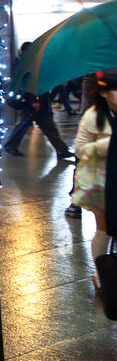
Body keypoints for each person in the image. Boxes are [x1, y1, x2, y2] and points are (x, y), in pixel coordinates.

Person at [73, 73, 115, 293]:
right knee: (104, 230)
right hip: (101, 180)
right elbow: (80, 148)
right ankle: (101, 276)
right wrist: (105, 145)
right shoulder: (93, 115)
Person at [4, 41, 76, 165]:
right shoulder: (29, 64)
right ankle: (61, 150)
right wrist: (35, 100)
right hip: (35, 101)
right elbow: (30, 84)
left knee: (27, 124)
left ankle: (61, 150)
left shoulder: (26, 63)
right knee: (43, 124)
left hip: (34, 100)